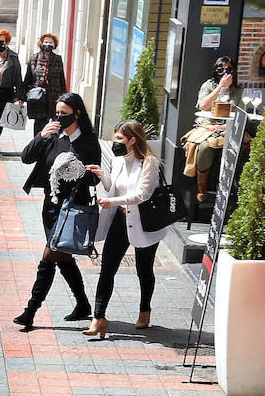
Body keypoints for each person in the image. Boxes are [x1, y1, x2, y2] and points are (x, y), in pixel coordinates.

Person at [13, 92, 99, 330]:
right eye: (57, 113)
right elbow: (25, 158)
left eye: (65, 114)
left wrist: (78, 170)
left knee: (50, 255)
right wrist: (41, 136)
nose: (60, 118)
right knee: (62, 256)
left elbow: (95, 179)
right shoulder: (53, 137)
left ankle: (30, 311)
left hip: (72, 209)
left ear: (77, 114)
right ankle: (83, 304)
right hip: (51, 207)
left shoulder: (89, 142)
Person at [82, 120, 168, 336]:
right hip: (120, 220)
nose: (115, 142)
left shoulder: (149, 162)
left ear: (133, 140)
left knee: (144, 270)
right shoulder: (119, 159)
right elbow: (114, 187)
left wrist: (113, 202)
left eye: (120, 138)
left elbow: (142, 195)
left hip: (145, 223)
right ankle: (98, 318)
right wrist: (102, 175)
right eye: (115, 138)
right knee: (107, 269)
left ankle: (144, 311)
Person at [183, 56, 244, 200]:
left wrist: (224, 126)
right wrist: (220, 87)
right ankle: (202, 187)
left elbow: (240, 113)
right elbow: (203, 105)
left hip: (227, 127)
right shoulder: (208, 86)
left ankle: (223, 187)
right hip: (207, 126)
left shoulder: (237, 90)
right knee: (205, 147)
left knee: (235, 147)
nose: (225, 72)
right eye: (221, 69)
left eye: (229, 69)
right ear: (216, 70)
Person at [20, 32, 67, 136]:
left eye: (51, 42)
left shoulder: (58, 59)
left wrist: (65, 98)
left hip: (54, 96)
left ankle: (50, 149)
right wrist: (22, 97)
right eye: (46, 42)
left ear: (54, 45)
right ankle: (37, 147)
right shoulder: (34, 58)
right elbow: (27, 79)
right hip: (38, 97)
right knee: (39, 125)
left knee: (53, 124)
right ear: (41, 43)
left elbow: (61, 79)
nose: (48, 44)